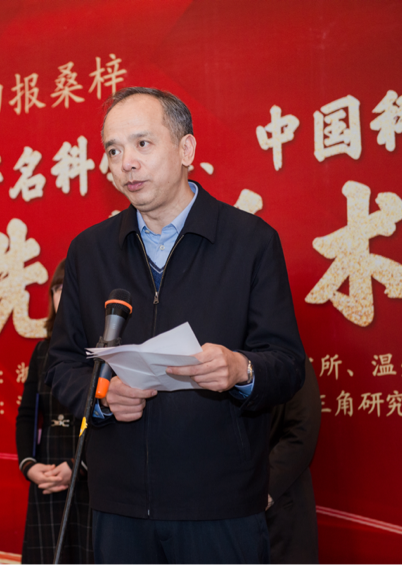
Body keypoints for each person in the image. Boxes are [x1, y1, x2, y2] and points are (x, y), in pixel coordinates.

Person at [47, 87, 306, 564]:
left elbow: (288, 364)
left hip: (220, 507)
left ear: (186, 149)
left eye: (142, 144)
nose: (126, 163)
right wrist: (101, 396)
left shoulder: (250, 242)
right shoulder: (89, 251)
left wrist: (241, 369)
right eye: (113, 150)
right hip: (118, 508)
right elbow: (61, 364)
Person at [16, 260, 92, 564]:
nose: (62, 294)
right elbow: (27, 415)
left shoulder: (102, 352)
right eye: (57, 288)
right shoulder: (42, 352)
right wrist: (29, 465)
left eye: (69, 288)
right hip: (47, 474)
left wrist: (78, 466)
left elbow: (110, 418)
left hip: (90, 474)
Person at [267, 357, 321, 564]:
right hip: (233, 513)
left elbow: (302, 431)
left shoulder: (290, 357)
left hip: (281, 503)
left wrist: (262, 490)